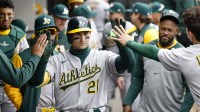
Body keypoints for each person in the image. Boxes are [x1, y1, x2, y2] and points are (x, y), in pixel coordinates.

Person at [111, 5, 200, 110]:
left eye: (169, 30)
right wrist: (128, 101)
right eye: (163, 29)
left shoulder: (183, 55)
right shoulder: (147, 49)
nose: (166, 32)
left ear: (178, 31)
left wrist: (128, 42)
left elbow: (153, 52)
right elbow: (137, 77)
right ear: (158, 27)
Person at [45, 16, 135, 111]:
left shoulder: (103, 56)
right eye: (78, 35)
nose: (82, 39)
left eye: (86, 34)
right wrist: (43, 59)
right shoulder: (56, 60)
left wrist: (123, 47)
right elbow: (37, 81)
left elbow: (129, 63)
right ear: (69, 37)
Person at [13, 14, 58, 112]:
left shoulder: (59, 56)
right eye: (44, 32)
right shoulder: (21, 57)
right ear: (36, 35)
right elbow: (11, 86)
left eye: (51, 31)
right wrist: (23, 105)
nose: (48, 36)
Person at [102, 2, 137, 111]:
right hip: (110, 70)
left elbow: (132, 52)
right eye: (109, 13)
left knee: (127, 103)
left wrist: (122, 71)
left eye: (112, 13)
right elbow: (103, 47)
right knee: (103, 100)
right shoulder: (107, 26)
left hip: (125, 72)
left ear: (120, 13)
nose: (109, 15)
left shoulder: (130, 28)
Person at [36, 4, 70, 112]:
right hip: (42, 88)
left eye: (65, 19)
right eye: (60, 18)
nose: (63, 22)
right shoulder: (39, 37)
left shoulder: (70, 38)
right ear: (52, 16)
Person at [0, 0, 30, 111]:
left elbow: (26, 62)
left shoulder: (19, 35)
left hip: (12, 89)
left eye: (9, 15)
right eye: (2, 15)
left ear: (13, 14)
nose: (6, 19)